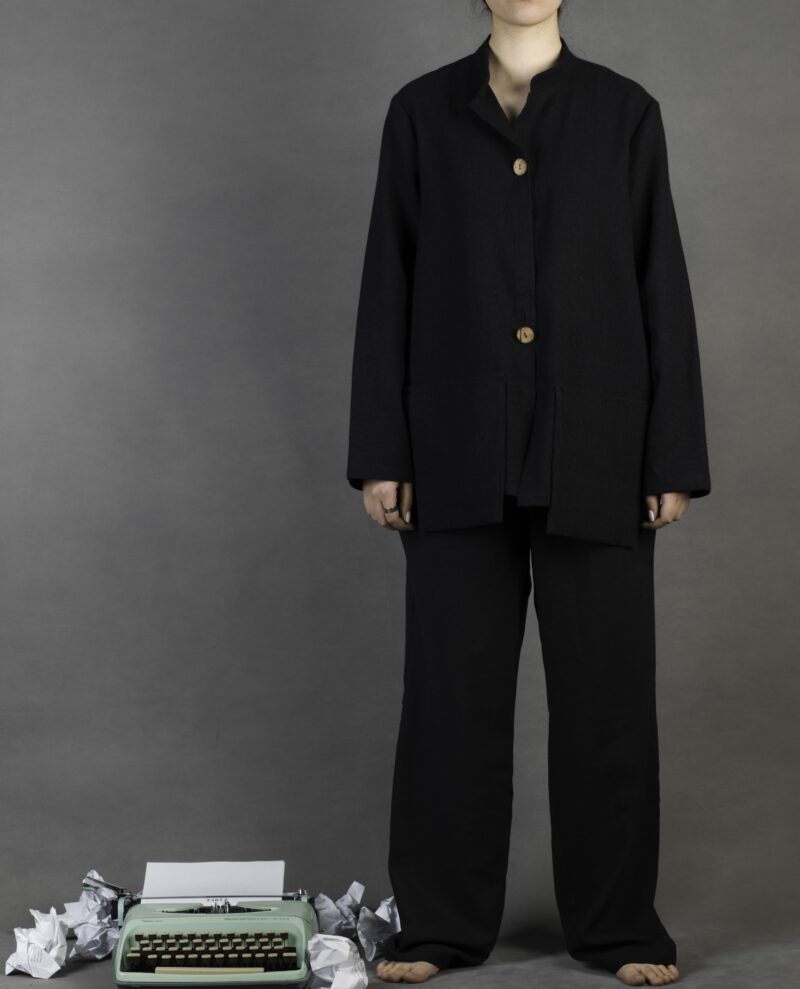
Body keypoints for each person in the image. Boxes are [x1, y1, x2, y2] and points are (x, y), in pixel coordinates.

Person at [346, 1, 710, 985]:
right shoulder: (420, 113)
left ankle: (617, 925)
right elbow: (389, 280)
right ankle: (438, 924)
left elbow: (659, 278)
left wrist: (669, 456)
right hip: (452, 447)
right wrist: (381, 451)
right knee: (449, 700)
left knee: (607, 701)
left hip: (598, 446)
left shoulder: (623, 113)